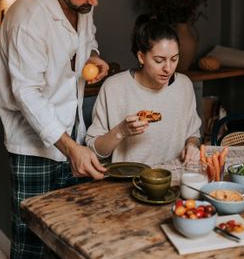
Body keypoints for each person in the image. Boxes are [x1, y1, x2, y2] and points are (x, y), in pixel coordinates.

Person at [0, 0, 110, 259]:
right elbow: (26, 93)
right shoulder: (27, 21)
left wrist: (94, 55)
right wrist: (71, 147)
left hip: (71, 132)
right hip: (34, 145)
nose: (94, 1)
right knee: (32, 239)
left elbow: (84, 39)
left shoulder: (80, 4)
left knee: (69, 232)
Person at [85, 15, 201, 165]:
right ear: (141, 57)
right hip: (127, 180)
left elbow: (193, 135)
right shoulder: (114, 87)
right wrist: (120, 131)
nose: (168, 68)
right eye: (159, 60)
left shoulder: (184, 86)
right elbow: (95, 151)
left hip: (174, 177)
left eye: (174, 59)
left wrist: (192, 146)